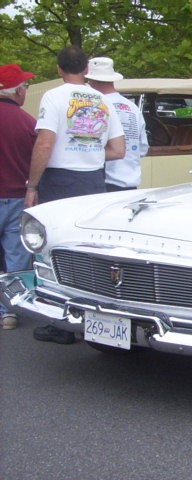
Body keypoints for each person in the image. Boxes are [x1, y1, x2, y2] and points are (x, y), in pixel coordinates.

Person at [27, 46, 125, 344]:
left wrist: (32, 185)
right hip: (94, 180)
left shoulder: (54, 97)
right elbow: (118, 149)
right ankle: (95, 315)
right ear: (86, 69)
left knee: (54, 249)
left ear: (59, 69)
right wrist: (89, 151)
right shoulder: (102, 100)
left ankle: (60, 323)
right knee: (88, 249)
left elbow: (45, 143)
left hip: (60, 180)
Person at [0, 64, 37, 330]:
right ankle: (9, 311)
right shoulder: (28, 122)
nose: (25, 90)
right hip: (17, 196)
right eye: (24, 86)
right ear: (17, 91)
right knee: (16, 257)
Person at [85, 57, 148, 191]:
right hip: (130, 183)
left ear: (92, 80)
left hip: (104, 181)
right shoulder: (132, 108)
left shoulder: (96, 106)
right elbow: (142, 148)